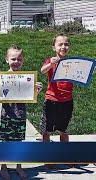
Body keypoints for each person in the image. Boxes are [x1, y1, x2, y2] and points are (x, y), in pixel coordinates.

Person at [0, 44, 42, 179]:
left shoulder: (27, 78)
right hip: (7, 115)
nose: (16, 62)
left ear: (23, 60)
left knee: (19, 142)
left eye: (19, 59)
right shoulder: (3, 77)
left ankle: (19, 166)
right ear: (7, 59)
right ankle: (4, 167)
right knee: (6, 142)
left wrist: (37, 90)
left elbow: (31, 95)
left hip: (20, 115)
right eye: (13, 59)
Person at [40, 34, 73, 167]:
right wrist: (50, 64)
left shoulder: (72, 62)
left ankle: (64, 155)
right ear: (54, 47)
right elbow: (42, 71)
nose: (63, 47)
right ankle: (48, 157)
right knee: (46, 131)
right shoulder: (50, 60)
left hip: (67, 101)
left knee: (64, 131)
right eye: (60, 44)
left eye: (66, 44)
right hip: (51, 100)